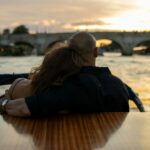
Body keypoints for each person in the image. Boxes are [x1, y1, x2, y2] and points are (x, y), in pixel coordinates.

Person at [0, 32, 130, 117]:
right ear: (95, 52)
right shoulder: (118, 85)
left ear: (68, 52)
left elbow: (23, 108)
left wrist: (4, 101)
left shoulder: (73, 87)